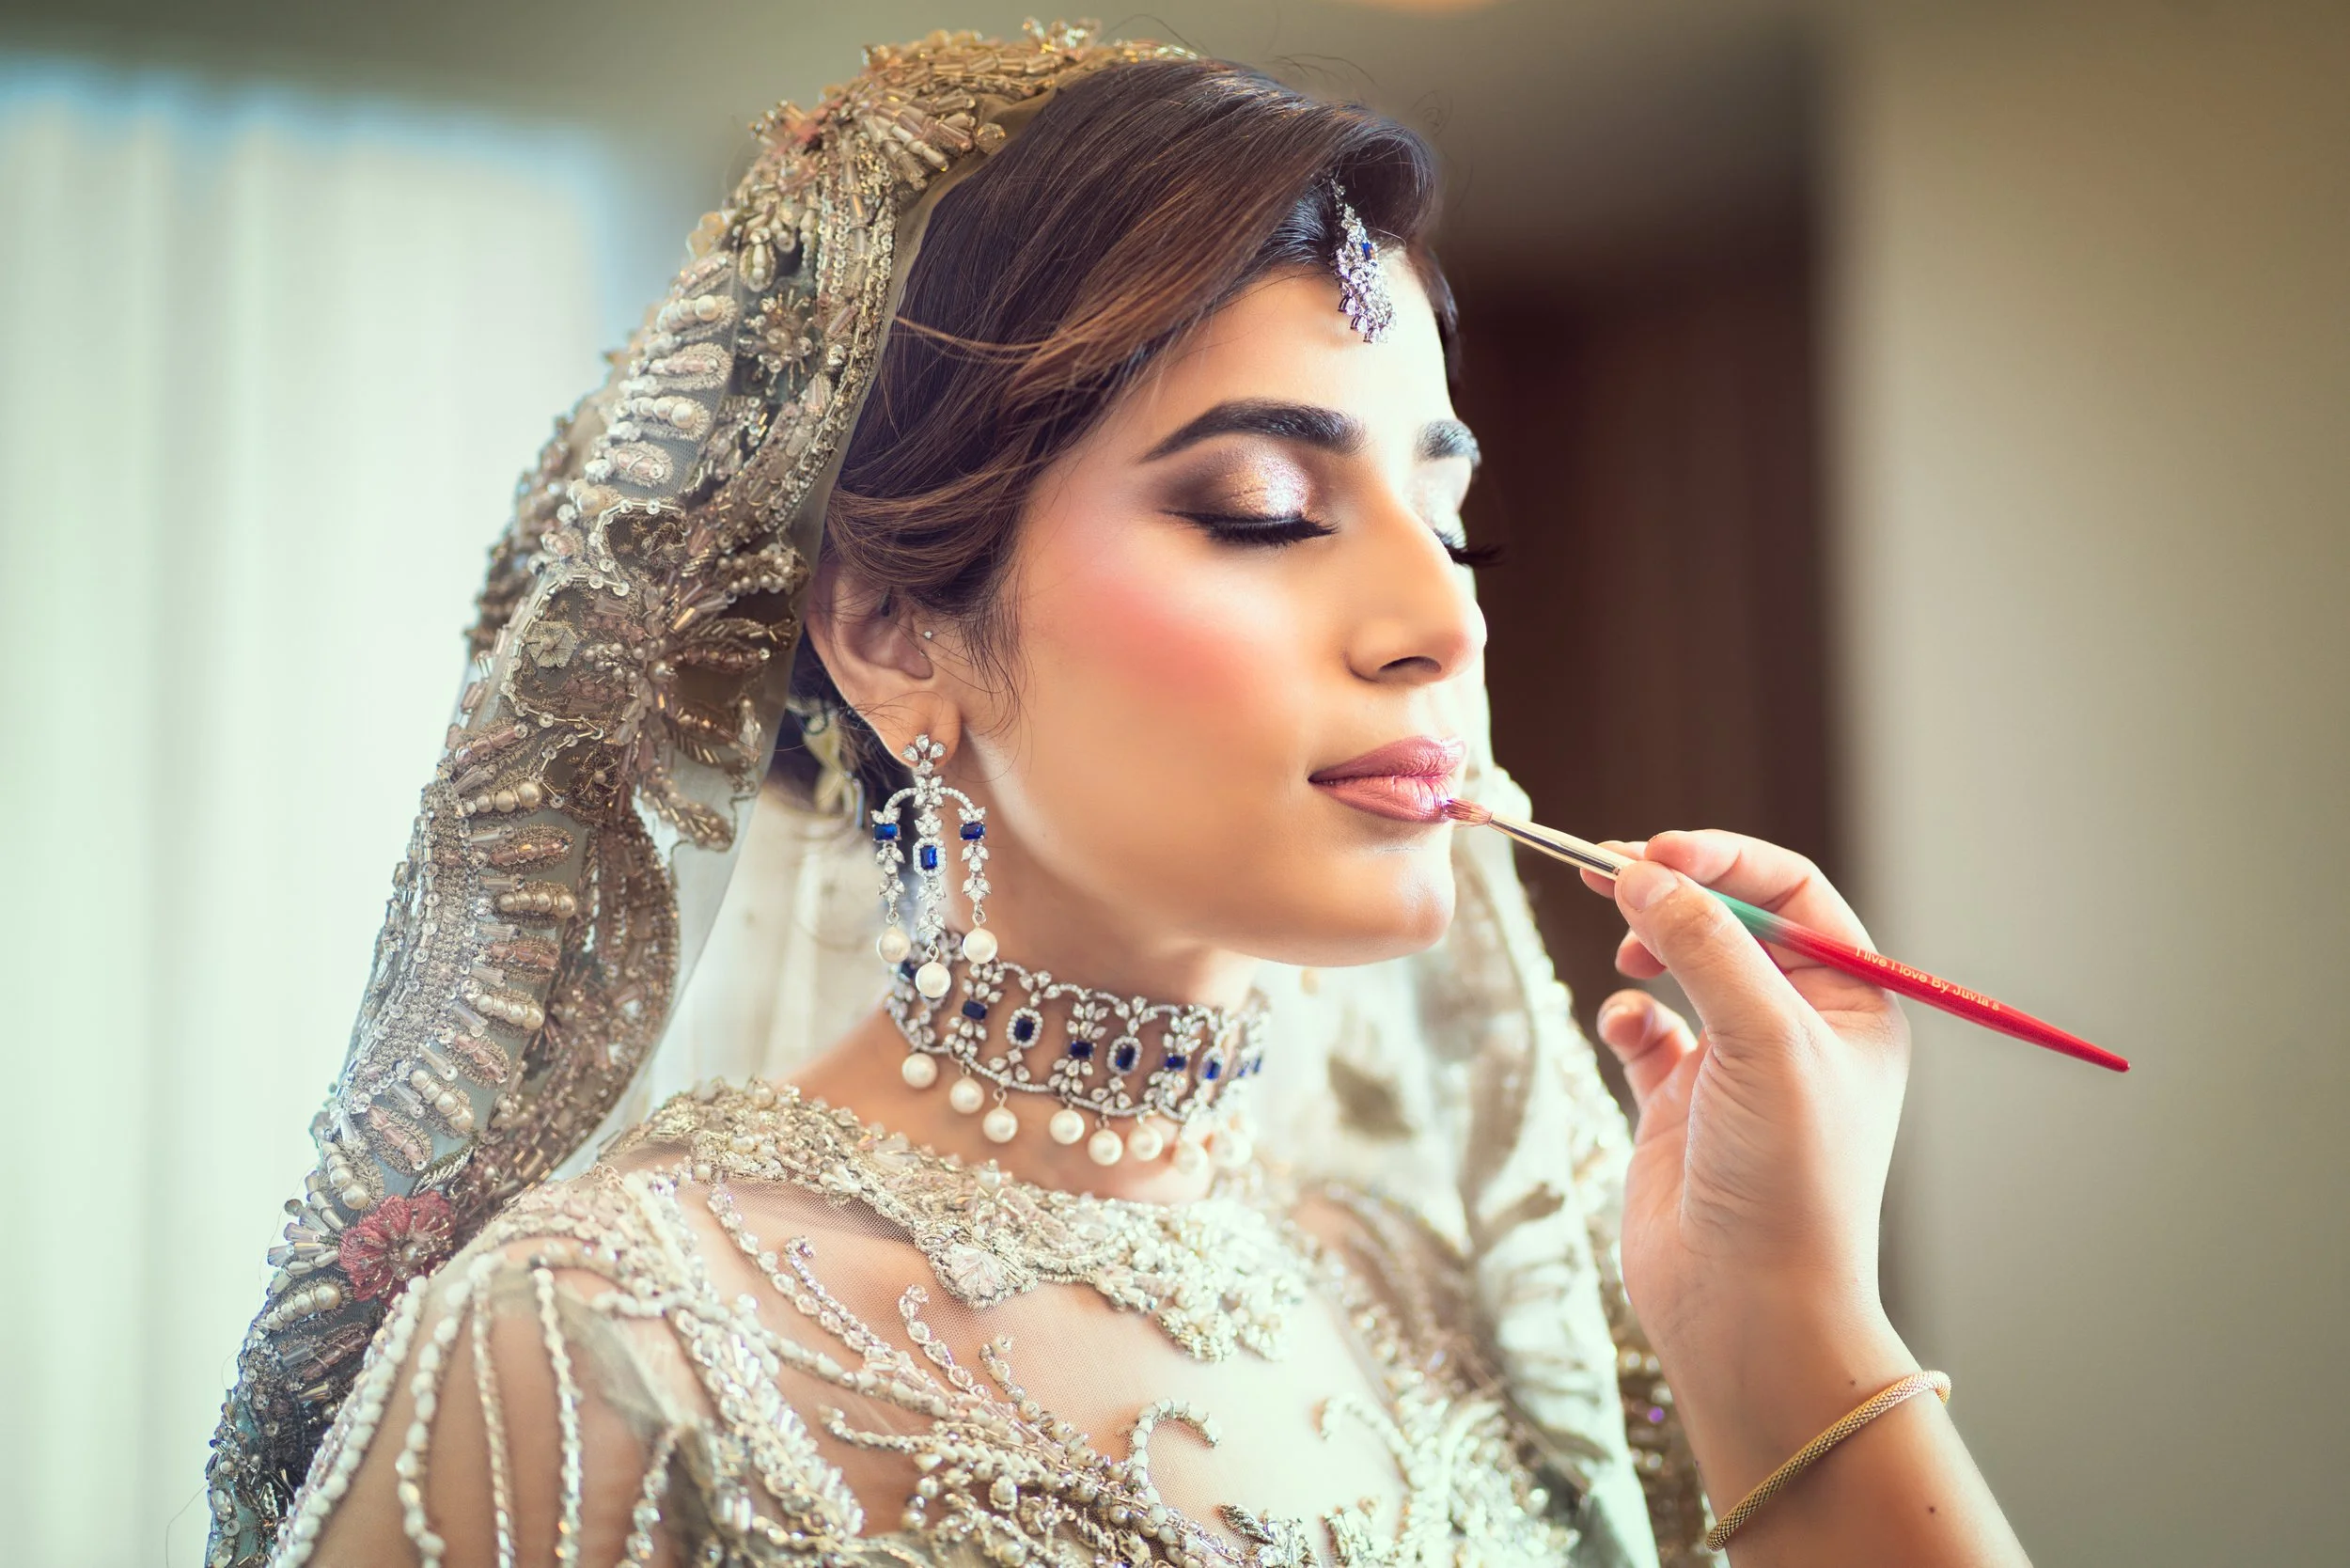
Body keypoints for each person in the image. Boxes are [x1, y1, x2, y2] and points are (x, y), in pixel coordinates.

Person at [205, 26, 2031, 1568]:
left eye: (1450, 518)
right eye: (1263, 513)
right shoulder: (604, 1343)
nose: (1443, 621)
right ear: (890, 632)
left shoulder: (1444, 1301)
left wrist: (1783, 1323)